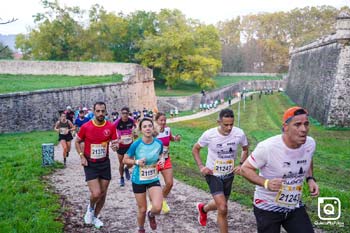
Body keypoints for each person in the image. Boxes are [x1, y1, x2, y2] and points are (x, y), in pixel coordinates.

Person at [240, 106, 319, 233]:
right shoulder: (267, 147)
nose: (304, 129)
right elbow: (245, 169)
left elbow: (308, 158)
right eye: (297, 125)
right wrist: (266, 183)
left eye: (306, 124)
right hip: (267, 207)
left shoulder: (310, 144)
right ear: (285, 127)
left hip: (293, 206)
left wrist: (310, 179)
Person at [192, 109, 249, 233]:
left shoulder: (239, 133)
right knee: (223, 208)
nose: (229, 128)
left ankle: (203, 209)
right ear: (219, 122)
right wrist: (201, 166)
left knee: (221, 204)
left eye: (231, 124)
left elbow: (245, 148)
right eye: (226, 125)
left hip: (229, 174)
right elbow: (195, 149)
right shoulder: (209, 134)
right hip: (213, 174)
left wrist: (240, 164)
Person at [75, 101, 118, 229]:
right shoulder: (86, 127)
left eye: (102, 111)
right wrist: (81, 156)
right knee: (96, 193)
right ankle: (90, 208)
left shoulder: (110, 127)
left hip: (104, 163)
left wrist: (116, 146)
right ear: (93, 112)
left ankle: (95, 217)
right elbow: (77, 142)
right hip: (90, 163)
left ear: (105, 112)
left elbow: (115, 143)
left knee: (103, 193)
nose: (100, 113)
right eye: (98, 111)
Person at [123, 117, 164, 233]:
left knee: (158, 207)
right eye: (144, 126)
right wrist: (136, 162)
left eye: (150, 126)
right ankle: (141, 229)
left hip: (153, 178)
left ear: (153, 128)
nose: (147, 128)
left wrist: (161, 160)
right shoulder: (136, 145)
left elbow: (161, 155)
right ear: (141, 129)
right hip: (138, 179)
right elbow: (125, 160)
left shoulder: (158, 143)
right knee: (142, 209)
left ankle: (151, 215)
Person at [152, 112, 181, 214]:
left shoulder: (168, 130)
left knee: (169, 183)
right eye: (161, 120)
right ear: (156, 121)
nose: (163, 122)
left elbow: (171, 138)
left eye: (165, 120)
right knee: (151, 184)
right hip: (154, 162)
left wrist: (176, 139)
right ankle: (152, 203)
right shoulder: (152, 132)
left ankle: (162, 200)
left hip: (166, 159)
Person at [113, 106, 137, 186]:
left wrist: (134, 133)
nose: (125, 115)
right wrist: (116, 140)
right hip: (121, 146)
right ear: (121, 114)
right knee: (121, 163)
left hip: (130, 145)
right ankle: (121, 178)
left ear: (128, 114)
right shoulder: (117, 122)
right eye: (123, 113)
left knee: (131, 163)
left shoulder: (131, 120)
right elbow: (111, 130)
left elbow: (136, 127)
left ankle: (127, 169)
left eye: (126, 113)